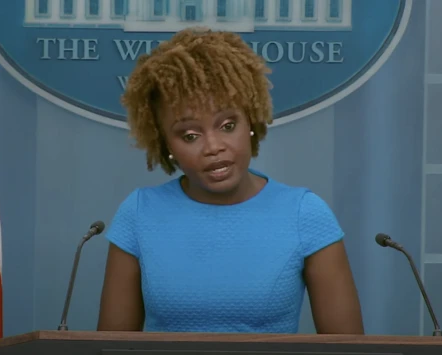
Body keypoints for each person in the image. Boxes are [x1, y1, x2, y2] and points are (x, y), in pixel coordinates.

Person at [97, 27, 364, 334]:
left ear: (250, 119)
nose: (213, 147)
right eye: (190, 135)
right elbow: (111, 346)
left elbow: (347, 349)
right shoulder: (139, 213)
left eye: (227, 125)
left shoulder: (306, 214)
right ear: (166, 143)